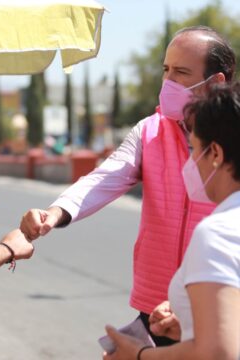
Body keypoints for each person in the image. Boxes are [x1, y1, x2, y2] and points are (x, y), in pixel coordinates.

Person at [20, 26, 236, 346]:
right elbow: (105, 177)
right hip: (155, 310)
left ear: (216, 82)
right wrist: (56, 212)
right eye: (165, 70)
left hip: (221, 304)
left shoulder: (234, 137)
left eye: (181, 72)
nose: (168, 82)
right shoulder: (150, 131)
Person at [102, 81, 240, 360]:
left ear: (215, 154)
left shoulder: (218, 233)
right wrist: (194, 326)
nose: (189, 164)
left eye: (194, 150)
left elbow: (219, 353)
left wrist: (139, 355)